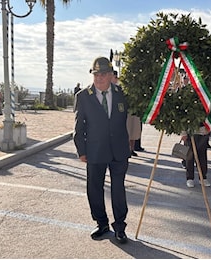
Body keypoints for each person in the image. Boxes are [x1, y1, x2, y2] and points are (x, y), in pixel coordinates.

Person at [73, 57, 131, 243]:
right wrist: (81, 150)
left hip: (119, 150)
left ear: (111, 75)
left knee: (118, 189)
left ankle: (120, 227)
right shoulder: (83, 96)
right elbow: (79, 126)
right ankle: (102, 223)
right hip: (95, 150)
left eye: (103, 74)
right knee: (95, 188)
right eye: (96, 74)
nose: (99, 78)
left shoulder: (123, 93)